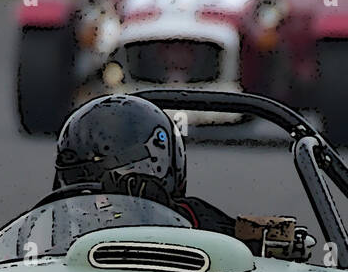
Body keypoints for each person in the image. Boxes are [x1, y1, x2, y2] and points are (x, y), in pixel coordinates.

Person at [51, 95, 235, 236]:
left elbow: (239, 247)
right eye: (81, 180)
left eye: (125, 175)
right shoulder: (47, 224)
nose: (101, 201)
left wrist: (161, 215)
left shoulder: (197, 220)